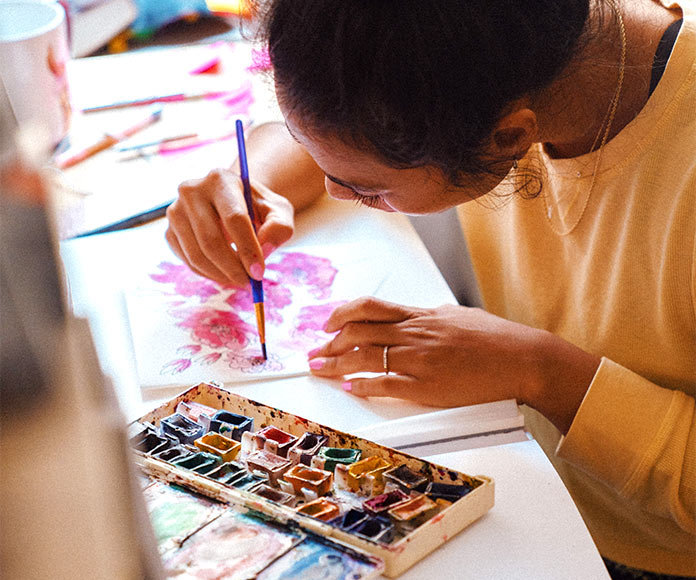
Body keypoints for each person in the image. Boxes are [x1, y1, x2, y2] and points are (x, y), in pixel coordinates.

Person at [164, 1, 696, 577]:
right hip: (530, 472)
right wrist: (254, 181)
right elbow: (348, 113)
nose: (336, 193)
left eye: (366, 190)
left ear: (509, 137)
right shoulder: (516, 58)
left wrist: (543, 372)